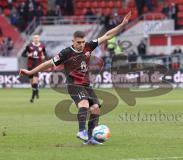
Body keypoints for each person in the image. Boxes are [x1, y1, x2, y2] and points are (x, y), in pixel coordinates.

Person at [20, 12, 132, 145]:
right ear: (73, 41)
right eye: (79, 42)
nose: (82, 44)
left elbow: (107, 35)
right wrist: (30, 72)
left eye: (83, 42)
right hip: (74, 84)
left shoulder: (89, 46)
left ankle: (90, 139)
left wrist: (122, 24)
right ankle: (81, 131)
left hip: (86, 84)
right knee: (84, 103)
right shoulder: (66, 53)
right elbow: (48, 63)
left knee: (96, 108)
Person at [21, 34, 47, 103]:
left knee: (35, 81)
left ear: (39, 39)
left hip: (38, 66)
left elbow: (45, 54)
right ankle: (37, 91)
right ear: (33, 39)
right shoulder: (29, 46)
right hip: (30, 66)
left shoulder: (42, 46)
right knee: (32, 83)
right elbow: (23, 54)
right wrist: (28, 55)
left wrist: (43, 56)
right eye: (35, 38)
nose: (36, 39)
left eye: (37, 38)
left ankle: (32, 98)